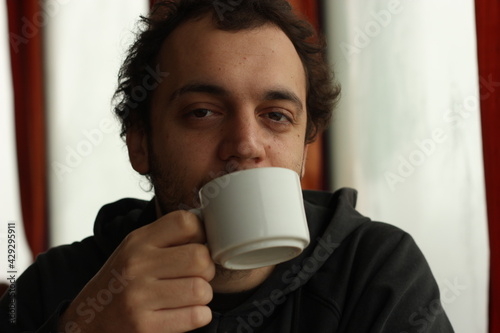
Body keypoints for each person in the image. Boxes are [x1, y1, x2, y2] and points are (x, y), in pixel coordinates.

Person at [0, 0, 454, 332]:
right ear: (140, 144)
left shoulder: (375, 270)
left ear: (303, 147)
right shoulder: (59, 286)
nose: (245, 145)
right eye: (203, 112)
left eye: (276, 116)